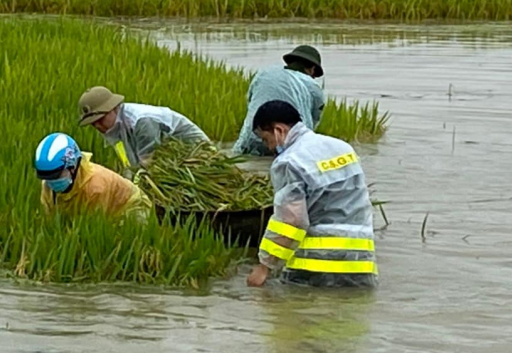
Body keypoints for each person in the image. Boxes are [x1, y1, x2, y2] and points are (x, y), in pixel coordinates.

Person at [246, 100, 377, 289]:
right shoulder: (343, 148)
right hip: (361, 264)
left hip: (316, 266)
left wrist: (264, 266)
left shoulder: (289, 161)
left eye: (267, 139)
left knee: (297, 314)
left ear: (279, 130)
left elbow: (291, 220)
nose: (269, 148)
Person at [78, 86, 209, 175]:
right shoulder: (115, 127)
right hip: (171, 159)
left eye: (101, 119)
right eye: (93, 124)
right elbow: (130, 162)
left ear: (113, 108)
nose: (99, 126)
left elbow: (149, 163)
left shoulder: (142, 121)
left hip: (196, 155)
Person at [34, 132, 152, 222]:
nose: (52, 181)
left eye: (57, 175)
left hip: (130, 207)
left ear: (72, 167)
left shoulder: (96, 187)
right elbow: (51, 217)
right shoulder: (48, 184)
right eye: (47, 176)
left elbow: (94, 227)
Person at [232, 44, 326, 156]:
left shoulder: (263, 74)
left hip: (254, 135)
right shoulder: (312, 85)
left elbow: (250, 101)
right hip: (288, 141)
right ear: (312, 69)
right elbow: (314, 120)